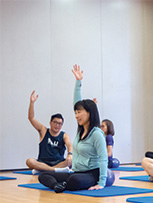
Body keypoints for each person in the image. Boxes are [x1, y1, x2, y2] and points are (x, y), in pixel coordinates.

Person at [38, 64, 108, 193]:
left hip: (92, 174)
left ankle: (64, 184)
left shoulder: (97, 134)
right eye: (75, 112)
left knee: (75, 180)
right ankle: (57, 186)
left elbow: (103, 158)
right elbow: (76, 102)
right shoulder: (81, 130)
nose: (76, 115)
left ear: (89, 113)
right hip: (76, 172)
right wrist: (78, 81)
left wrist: (101, 183)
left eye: (79, 112)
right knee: (43, 175)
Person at [26, 90, 73, 175]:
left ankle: (44, 170)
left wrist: (70, 155)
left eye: (60, 123)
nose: (57, 125)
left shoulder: (64, 135)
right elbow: (31, 118)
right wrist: (32, 103)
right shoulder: (43, 130)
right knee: (29, 161)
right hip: (43, 162)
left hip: (59, 162)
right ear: (50, 123)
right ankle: (53, 170)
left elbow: (69, 145)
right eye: (55, 122)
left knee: (71, 160)